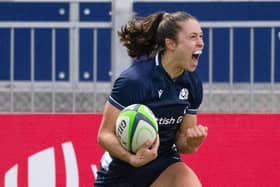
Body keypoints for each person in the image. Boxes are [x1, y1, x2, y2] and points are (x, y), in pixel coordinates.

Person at [94, 11, 208, 187]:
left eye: (201, 36)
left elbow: (182, 143)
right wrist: (132, 158)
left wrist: (192, 143)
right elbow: (104, 135)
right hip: (121, 171)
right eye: (193, 37)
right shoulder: (135, 81)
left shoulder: (192, 83)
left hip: (164, 163)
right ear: (170, 44)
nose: (201, 42)